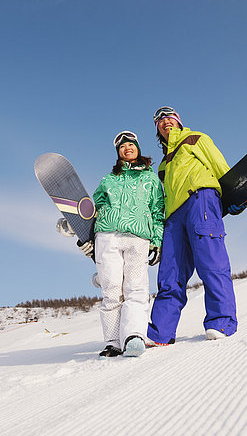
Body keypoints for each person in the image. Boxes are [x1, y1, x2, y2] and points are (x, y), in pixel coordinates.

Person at [58, 131, 164, 358]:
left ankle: (134, 335)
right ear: (118, 153)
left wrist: (156, 242)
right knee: (112, 289)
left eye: (131, 145)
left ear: (138, 148)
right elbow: (90, 210)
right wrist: (82, 233)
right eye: (122, 146)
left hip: (138, 237)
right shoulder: (108, 179)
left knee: (136, 288)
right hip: (107, 235)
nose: (127, 148)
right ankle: (114, 342)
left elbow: (157, 212)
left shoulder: (151, 179)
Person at [147, 106, 244, 346]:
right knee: (170, 275)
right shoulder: (162, 166)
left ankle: (221, 322)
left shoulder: (195, 139)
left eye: (169, 118)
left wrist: (236, 194)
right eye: (159, 121)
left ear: (178, 121)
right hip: (173, 218)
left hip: (200, 200)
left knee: (211, 262)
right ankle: (160, 333)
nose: (164, 122)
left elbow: (220, 166)